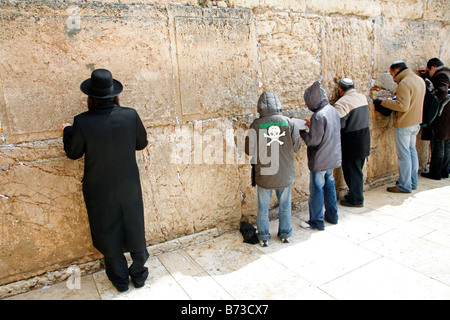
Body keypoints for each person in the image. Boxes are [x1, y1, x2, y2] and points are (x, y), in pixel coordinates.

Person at [62, 69, 149, 292]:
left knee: (107, 230)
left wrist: (67, 131)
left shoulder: (81, 122)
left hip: (100, 188)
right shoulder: (130, 115)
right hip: (128, 184)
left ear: (91, 97)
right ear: (114, 94)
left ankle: (120, 280)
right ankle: (138, 275)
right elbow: (141, 143)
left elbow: (74, 153)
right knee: (134, 226)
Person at [245, 91, 302, 247]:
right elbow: (297, 146)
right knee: (285, 205)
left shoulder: (256, 125)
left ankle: (264, 237)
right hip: (284, 174)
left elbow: (248, 150)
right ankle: (285, 234)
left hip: (265, 174)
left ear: (260, 107)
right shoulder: (289, 123)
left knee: (263, 208)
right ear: (278, 104)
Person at [374, 61, 425, 193]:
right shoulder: (419, 80)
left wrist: (384, 102)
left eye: (391, 74)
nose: (392, 77)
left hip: (404, 123)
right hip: (416, 122)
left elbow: (402, 106)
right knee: (412, 152)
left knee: (404, 155)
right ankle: (412, 182)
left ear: (396, 71)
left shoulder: (404, 83)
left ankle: (404, 185)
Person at [300, 81, 341, 230]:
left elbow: (313, 141)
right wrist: (313, 127)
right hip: (332, 157)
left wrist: (302, 132)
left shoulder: (318, 116)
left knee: (317, 190)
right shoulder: (332, 110)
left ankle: (316, 221)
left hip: (320, 160)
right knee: (330, 186)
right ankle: (332, 216)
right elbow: (328, 131)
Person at [334, 79, 370, 207]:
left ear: (341, 90)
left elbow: (338, 123)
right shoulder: (362, 97)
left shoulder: (343, 102)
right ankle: (354, 194)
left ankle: (356, 199)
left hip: (352, 142)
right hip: (364, 139)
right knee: (357, 170)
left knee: (352, 172)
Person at [419, 58, 450, 180]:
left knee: (438, 144)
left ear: (433, 67)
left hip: (442, 116)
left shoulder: (441, 74)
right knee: (447, 144)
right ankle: (444, 171)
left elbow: (441, 91)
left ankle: (435, 173)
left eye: (428, 70)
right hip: (448, 116)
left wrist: (433, 105)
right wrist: (427, 74)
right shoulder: (447, 72)